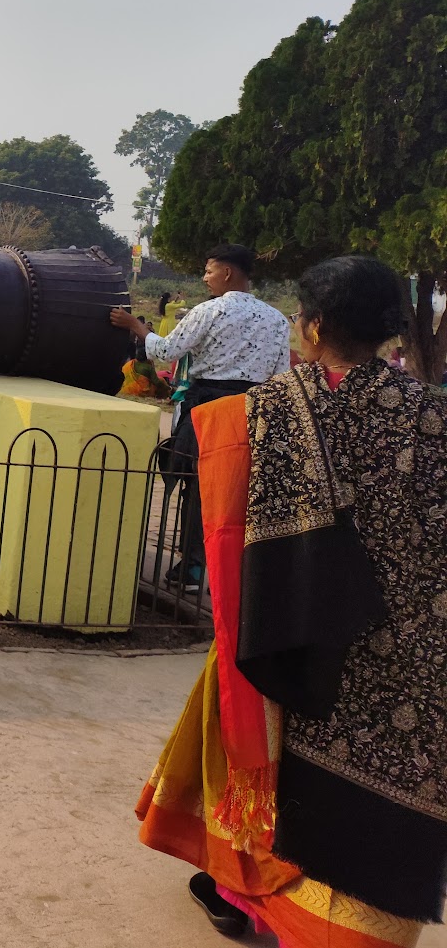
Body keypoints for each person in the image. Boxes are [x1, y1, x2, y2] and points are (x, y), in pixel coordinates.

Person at [135, 255, 447, 946]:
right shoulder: (434, 417)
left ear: (311, 327)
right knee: (380, 804)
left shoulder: (264, 410)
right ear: (393, 334)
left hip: (288, 633)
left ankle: (244, 890)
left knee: (261, 756)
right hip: (414, 654)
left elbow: (223, 516)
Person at [111, 244, 289, 590]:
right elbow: (279, 374)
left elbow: (166, 351)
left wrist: (135, 326)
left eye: (209, 271)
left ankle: (192, 568)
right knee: (237, 490)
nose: (205, 278)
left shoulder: (210, 311)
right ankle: (230, 571)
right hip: (252, 410)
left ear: (226, 273)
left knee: (197, 483)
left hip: (209, 405)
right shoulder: (277, 319)